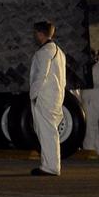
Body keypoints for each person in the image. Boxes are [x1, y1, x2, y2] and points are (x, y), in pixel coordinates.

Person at [29, 21, 66, 176]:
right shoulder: (59, 51)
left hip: (44, 96)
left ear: (40, 33)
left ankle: (50, 167)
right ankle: (49, 164)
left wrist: (34, 95)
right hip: (55, 95)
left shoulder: (44, 52)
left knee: (47, 131)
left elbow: (40, 75)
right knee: (47, 131)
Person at [81, 51, 99, 156]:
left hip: (94, 100)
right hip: (89, 99)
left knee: (90, 125)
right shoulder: (90, 67)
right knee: (93, 126)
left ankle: (89, 149)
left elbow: (98, 82)